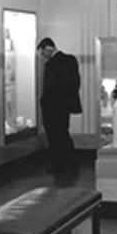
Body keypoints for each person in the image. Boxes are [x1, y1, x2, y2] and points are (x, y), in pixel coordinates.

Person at [37, 37, 82, 173]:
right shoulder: (70, 60)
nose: (42, 56)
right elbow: (76, 83)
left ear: (48, 48)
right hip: (65, 106)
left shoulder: (51, 64)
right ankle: (71, 162)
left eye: (42, 52)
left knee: (54, 136)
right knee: (64, 133)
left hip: (52, 108)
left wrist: (44, 102)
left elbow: (49, 87)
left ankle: (59, 164)